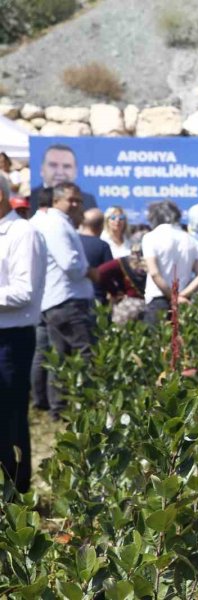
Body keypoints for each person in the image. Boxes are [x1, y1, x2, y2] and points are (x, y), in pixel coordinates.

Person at [31, 183, 97, 421]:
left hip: (60, 299)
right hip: (67, 299)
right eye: (71, 200)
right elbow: (70, 264)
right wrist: (90, 272)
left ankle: (58, 409)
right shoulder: (56, 225)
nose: (76, 205)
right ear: (57, 200)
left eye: (78, 200)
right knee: (86, 353)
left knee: (60, 357)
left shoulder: (57, 223)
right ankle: (88, 407)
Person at [0, 173, 46, 492]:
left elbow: (23, 292)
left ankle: (16, 494)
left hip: (11, 340)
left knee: (9, 418)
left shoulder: (23, 233)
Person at [141, 200, 198, 325]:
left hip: (158, 298)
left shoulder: (150, 237)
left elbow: (154, 273)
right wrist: (182, 295)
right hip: (184, 299)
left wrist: (173, 297)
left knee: (154, 335)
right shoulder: (192, 240)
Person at [28, 144, 97, 216]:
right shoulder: (30, 198)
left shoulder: (87, 200)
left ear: (76, 171)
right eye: (53, 165)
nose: (60, 172)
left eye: (66, 166)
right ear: (42, 169)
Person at [97, 234, 147, 325]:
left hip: (128, 306)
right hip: (150, 306)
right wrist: (115, 291)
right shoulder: (156, 262)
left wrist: (114, 291)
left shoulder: (124, 261)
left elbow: (100, 272)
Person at [78, 208, 114, 306]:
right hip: (97, 300)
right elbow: (109, 275)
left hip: (74, 298)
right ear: (101, 226)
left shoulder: (72, 242)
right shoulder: (102, 246)